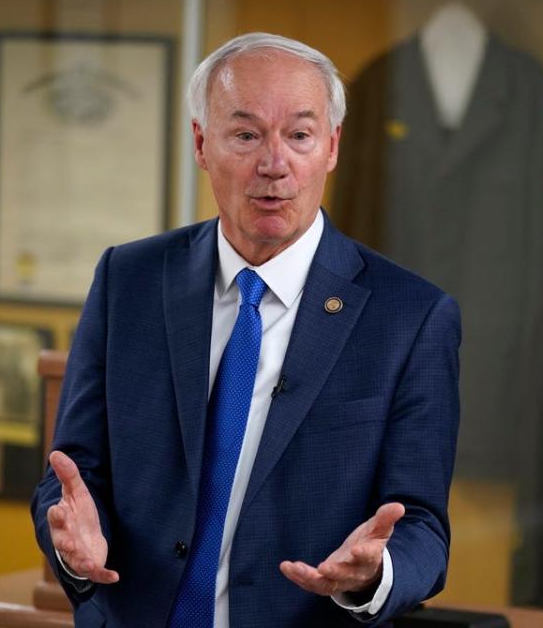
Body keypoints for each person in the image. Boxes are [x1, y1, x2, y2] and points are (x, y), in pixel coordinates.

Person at [31, 32, 461, 628]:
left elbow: (423, 528)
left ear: (332, 147)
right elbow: (70, 479)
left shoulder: (410, 317)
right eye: (246, 134)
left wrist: (375, 573)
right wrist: (76, 550)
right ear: (203, 144)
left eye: (299, 135)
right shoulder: (126, 281)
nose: (274, 164)